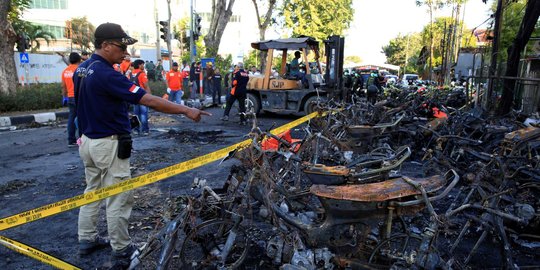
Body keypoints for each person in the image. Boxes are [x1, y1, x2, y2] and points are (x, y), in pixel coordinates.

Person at [73, 22, 210, 268]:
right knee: (118, 196)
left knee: (93, 190)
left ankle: (87, 238)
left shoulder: (82, 69)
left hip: (88, 142)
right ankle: (121, 250)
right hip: (108, 144)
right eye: (120, 47)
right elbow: (148, 99)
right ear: (104, 46)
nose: (125, 53)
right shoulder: (107, 74)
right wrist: (186, 110)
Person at [61, 52, 82, 147]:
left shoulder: (65, 71)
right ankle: (83, 138)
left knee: (71, 118)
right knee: (82, 117)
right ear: (79, 60)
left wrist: (64, 97)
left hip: (69, 97)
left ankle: (71, 140)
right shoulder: (80, 70)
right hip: (79, 97)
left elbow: (63, 86)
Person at [131, 59, 151, 135]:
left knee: (136, 113)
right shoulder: (142, 74)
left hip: (134, 96)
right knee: (143, 113)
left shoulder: (131, 73)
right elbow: (146, 86)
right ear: (139, 65)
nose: (143, 65)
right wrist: (150, 96)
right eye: (143, 64)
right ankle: (145, 130)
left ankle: (136, 130)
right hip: (142, 96)